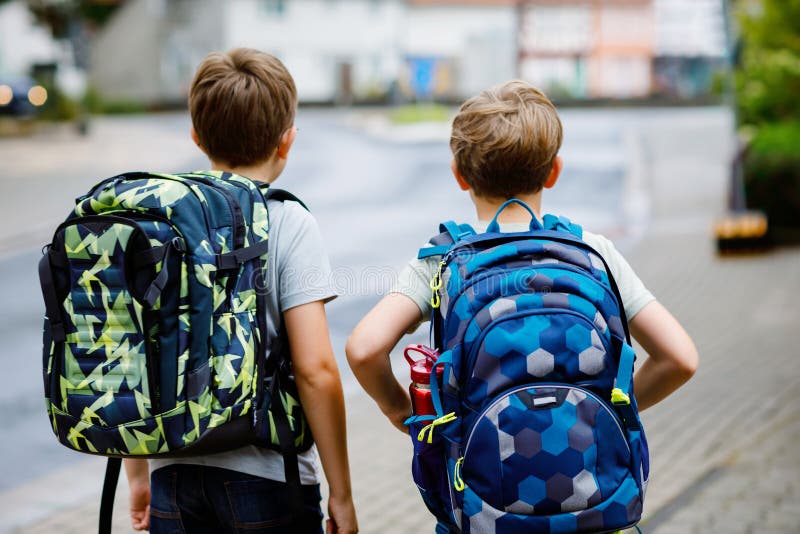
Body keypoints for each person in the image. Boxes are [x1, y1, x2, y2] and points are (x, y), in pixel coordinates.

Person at [346, 80, 698, 434]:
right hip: (594, 481)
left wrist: (399, 409)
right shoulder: (594, 254)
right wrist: (607, 412)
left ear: (459, 176)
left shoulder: (442, 263)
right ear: (554, 172)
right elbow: (679, 359)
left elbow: (364, 350)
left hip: (478, 477)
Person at [123, 48, 358, 534]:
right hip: (269, 476)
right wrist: (342, 492)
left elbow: (138, 355)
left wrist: (139, 476)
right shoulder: (287, 219)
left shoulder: (158, 222)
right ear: (286, 141)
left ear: (196, 135)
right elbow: (315, 370)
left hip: (173, 470)